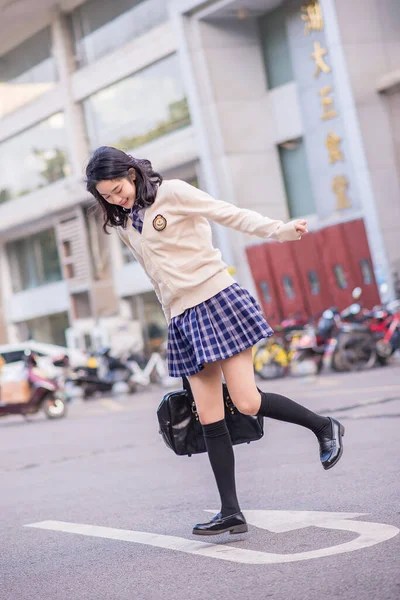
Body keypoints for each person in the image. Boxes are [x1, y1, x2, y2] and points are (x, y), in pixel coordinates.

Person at [85, 146, 345, 537]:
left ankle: (324, 426)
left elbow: (228, 213)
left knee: (247, 400)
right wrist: (173, 318)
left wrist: (279, 230)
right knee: (210, 417)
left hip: (217, 299)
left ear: (131, 174)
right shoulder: (125, 225)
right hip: (182, 317)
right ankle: (231, 512)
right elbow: (155, 275)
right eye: (106, 195)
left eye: (117, 188)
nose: (114, 198)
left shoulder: (172, 193)